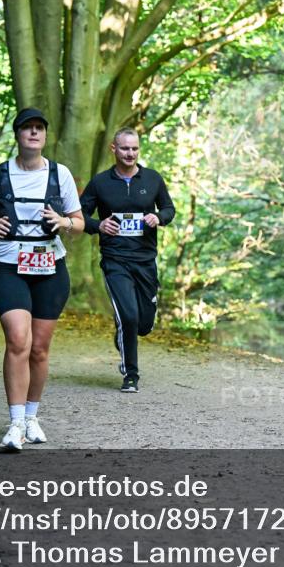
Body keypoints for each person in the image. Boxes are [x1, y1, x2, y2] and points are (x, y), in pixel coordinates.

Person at [0, 108, 84, 451]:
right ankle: (15, 423)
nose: (33, 133)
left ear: (45, 136)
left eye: (39, 129)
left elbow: (79, 222)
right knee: (18, 339)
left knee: (39, 348)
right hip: (8, 265)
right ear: (17, 135)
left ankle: (32, 417)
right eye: (27, 128)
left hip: (50, 267)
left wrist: (63, 222)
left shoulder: (60, 174)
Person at [80, 127, 175, 393]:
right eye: (124, 148)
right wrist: (99, 225)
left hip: (145, 260)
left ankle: (124, 332)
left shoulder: (153, 179)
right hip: (115, 260)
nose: (130, 153)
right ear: (114, 149)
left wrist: (159, 218)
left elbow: (169, 208)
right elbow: (79, 215)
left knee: (143, 325)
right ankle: (131, 374)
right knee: (129, 316)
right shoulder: (100, 183)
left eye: (134, 148)